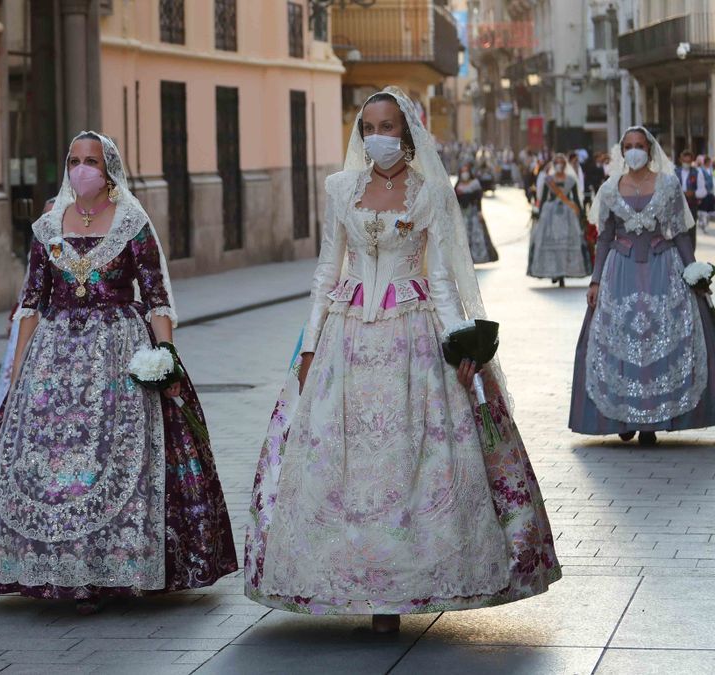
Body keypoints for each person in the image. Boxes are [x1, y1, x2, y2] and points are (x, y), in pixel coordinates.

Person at [243, 88, 560, 634]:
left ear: (406, 133)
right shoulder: (341, 188)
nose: (377, 136)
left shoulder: (431, 192)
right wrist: (310, 347)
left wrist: (461, 346)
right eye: (368, 127)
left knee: (415, 454)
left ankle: (407, 584)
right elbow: (325, 271)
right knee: (340, 454)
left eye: (387, 126)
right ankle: (354, 579)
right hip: (347, 336)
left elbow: (440, 281)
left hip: (413, 337)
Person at [0, 131, 238, 613]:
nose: (82, 168)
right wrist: (17, 374)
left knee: (114, 459)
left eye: (91, 160)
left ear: (109, 171)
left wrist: (165, 355)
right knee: (48, 465)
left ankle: (110, 568)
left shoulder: (132, 222)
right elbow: (31, 303)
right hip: (54, 358)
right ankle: (55, 569)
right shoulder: (47, 228)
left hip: (118, 353)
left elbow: (156, 298)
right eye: (74, 160)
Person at [570, 127, 715, 445]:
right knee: (621, 340)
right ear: (621, 151)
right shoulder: (609, 189)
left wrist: (694, 273)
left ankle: (651, 421)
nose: (634, 151)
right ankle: (623, 418)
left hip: (663, 268)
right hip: (619, 274)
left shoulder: (668, 184)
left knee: (658, 339)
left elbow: (679, 233)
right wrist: (595, 280)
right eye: (629, 146)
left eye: (640, 146)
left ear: (650, 150)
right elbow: (605, 238)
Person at [529, 153, 591, 287]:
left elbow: (574, 198)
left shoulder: (570, 180)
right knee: (552, 245)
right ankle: (554, 272)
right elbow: (545, 197)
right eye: (556, 162)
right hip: (550, 214)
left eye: (561, 162)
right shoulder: (548, 180)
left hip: (567, 215)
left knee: (566, 245)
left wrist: (582, 215)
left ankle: (563, 273)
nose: (559, 165)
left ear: (565, 165)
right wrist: (539, 215)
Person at [455, 163, 499, 263]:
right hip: (462, 213)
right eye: (462, 171)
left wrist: (479, 211)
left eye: (466, 171)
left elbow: (478, 198)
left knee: (476, 234)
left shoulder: (475, 183)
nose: (464, 173)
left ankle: (477, 257)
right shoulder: (458, 184)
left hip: (473, 212)